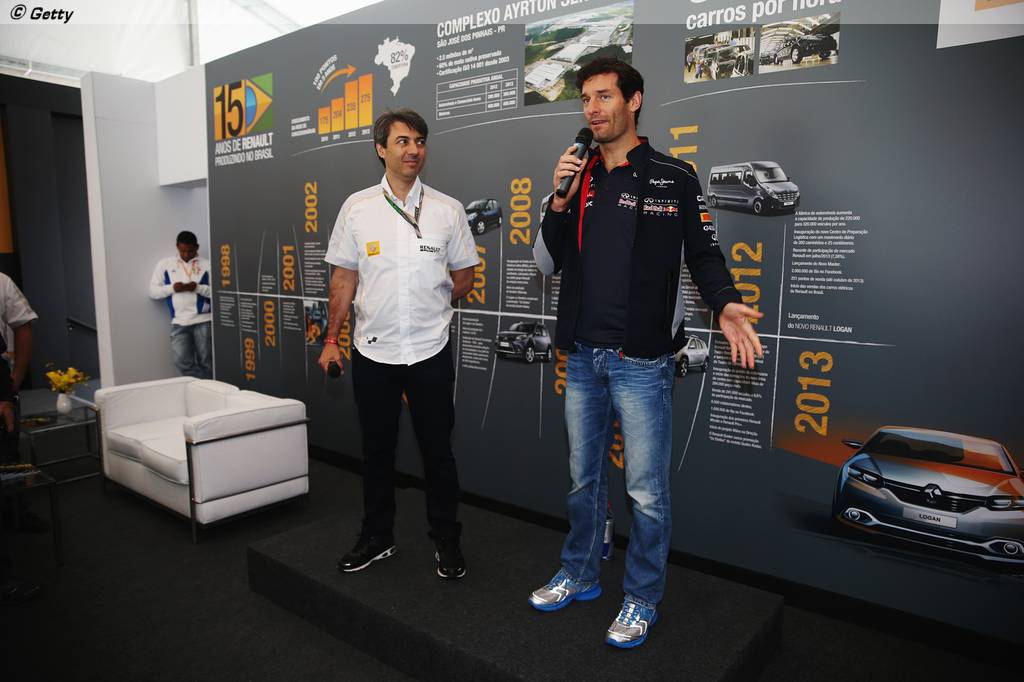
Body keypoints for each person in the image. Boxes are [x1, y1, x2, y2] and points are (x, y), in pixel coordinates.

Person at [529, 58, 764, 648]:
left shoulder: (674, 176)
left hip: (642, 363)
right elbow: (545, 263)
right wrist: (557, 201)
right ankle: (580, 572)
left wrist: (726, 303)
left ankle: (641, 597)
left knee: (646, 493)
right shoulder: (578, 177)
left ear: (633, 101)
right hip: (583, 357)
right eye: (586, 98)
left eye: (604, 96)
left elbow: (704, 254)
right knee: (582, 481)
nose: (593, 108)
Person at [319, 109, 479, 579]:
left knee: (438, 453)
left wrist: (429, 301)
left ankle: (446, 540)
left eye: (420, 141)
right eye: (403, 141)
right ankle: (377, 537)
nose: (414, 150)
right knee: (376, 452)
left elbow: (465, 277)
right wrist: (331, 339)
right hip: (373, 352)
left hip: (430, 350)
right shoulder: (357, 208)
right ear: (381, 149)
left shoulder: (448, 210)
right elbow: (343, 280)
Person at [0, 272, 41, 602]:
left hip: (2, 386)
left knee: (9, 457)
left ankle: (17, 515)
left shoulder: (1, 282)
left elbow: (23, 326)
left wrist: (14, 380)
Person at [148, 231, 213, 379]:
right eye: (182, 251)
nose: (186, 255)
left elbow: (218, 293)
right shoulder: (165, 264)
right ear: (177, 246)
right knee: (181, 361)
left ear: (197, 247)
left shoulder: (207, 264)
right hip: (179, 322)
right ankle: (202, 385)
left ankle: (205, 388)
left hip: (204, 321)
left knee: (207, 362)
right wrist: (172, 288)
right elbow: (153, 292)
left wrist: (197, 288)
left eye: (190, 251)